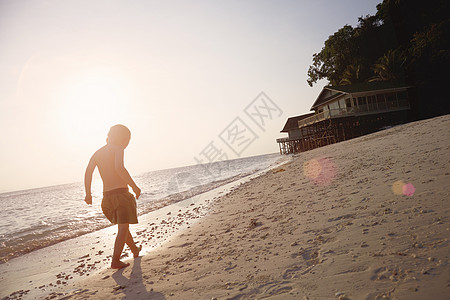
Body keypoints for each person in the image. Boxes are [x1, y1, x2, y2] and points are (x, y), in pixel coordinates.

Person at [84, 124, 142, 269]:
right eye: (127, 140)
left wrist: (88, 193)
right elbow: (119, 167)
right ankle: (115, 260)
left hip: (107, 199)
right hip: (121, 195)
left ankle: (134, 249)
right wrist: (134, 186)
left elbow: (88, 172)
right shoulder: (118, 148)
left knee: (123, 226)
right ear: (123, 139)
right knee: (123, 228)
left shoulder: (97, 153)